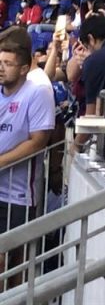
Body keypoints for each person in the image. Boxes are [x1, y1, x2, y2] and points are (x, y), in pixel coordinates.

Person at [0, 32, 53, 251]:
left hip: (18, 194)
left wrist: (1, 162)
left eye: (8, 64)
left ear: (23, 69)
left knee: (12, 263)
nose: (1, 68)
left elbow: (38, 141)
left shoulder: (38, 92)